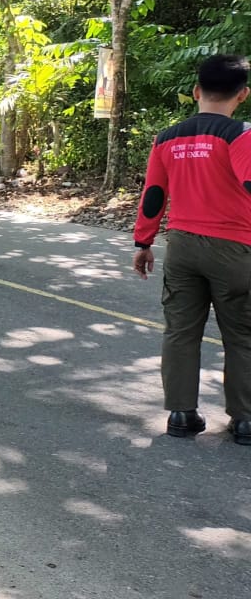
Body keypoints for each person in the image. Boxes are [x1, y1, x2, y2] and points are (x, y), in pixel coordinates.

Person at [132, 54, 251, 445]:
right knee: (243, 335)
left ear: (197, 91)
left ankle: (182, 414)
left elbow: (153, 195)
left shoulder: (167, 138)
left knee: (181, 331)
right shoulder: (239, 135)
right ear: (243, 95)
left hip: (181, 246)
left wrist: (143, 242)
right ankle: (246, 420)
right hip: (235, 248)